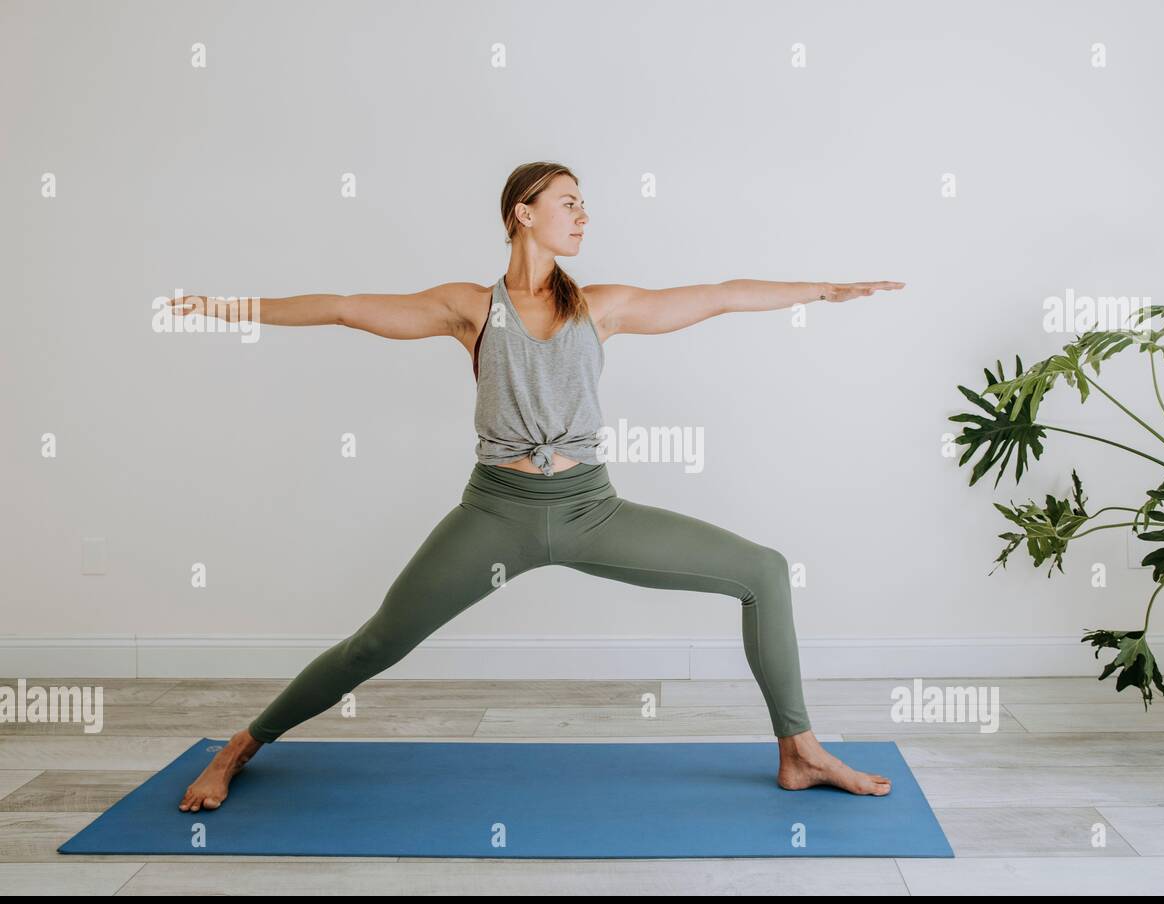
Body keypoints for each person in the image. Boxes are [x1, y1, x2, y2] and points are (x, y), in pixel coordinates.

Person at [173, 162, 905, 812]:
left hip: (592, 509)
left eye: (585, 204)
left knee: (764, 572)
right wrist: (224, 308)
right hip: (496, 513)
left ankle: (799, 750)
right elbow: (341, 305)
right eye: (569, 202)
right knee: (373, 646)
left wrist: (820, 288)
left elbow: (716, 295)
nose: (584, 214)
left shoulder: (601, 305)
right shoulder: (470, 307)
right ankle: (243, 743)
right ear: (523, 214)